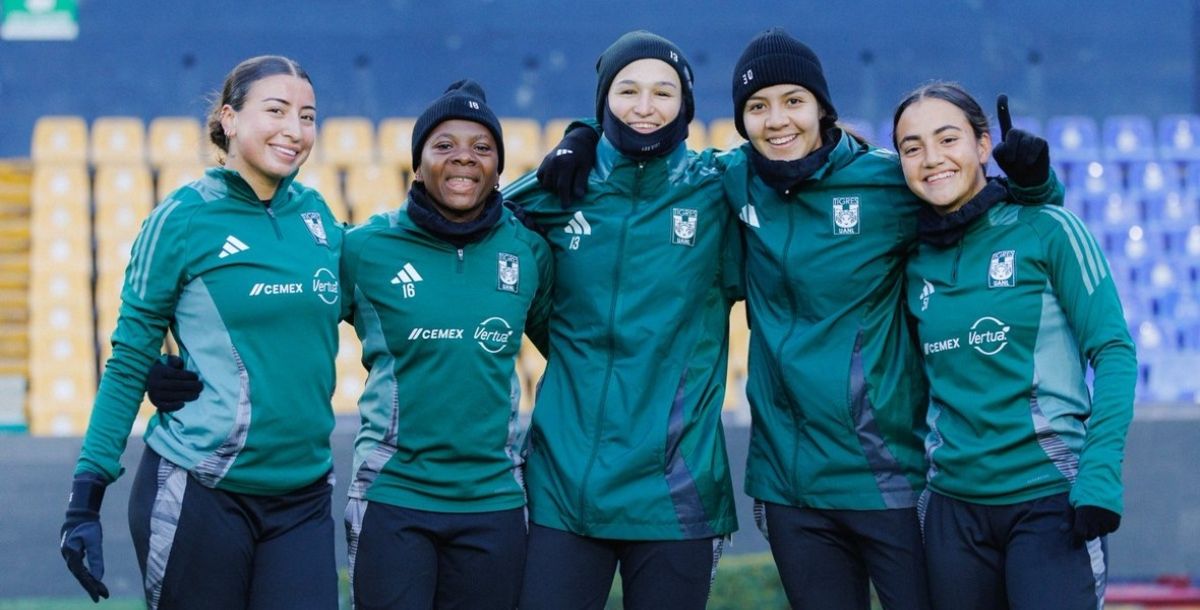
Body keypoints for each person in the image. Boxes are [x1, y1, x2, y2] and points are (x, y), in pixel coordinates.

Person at [537, 27, 1060, 610]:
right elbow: (634, 156)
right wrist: (583, 137)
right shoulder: (732, 179)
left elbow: (984, 212)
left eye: (793, 101)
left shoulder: (886, 180)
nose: (776, 119)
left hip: (889, 476)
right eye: (757, 106)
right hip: (789, 486)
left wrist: (1036, 183)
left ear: (821, 108)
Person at [59, 55, 343, 609]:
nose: (295, 130)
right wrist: (85, 499)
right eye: (277, 111)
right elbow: (127, 359)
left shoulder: (320, 217)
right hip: (200, 490)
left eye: (308, 117)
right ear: (230, 119)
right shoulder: (182, 218)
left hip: (303, 496)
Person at [502, 30, 743, 609]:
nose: (644, 106)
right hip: (565, 484)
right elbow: (476, 220)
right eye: (626, 90)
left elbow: (810, 170)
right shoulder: (561, 186)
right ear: (603, 99)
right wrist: (578, 140)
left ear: (685, 104)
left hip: (676, 487)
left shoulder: (720, 187)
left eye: (663, 91)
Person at [893, 81, 1136, 610]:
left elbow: (1115, 351)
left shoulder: (1050, 229)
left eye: (948, 139)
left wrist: (1099, 475)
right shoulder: (910, 258)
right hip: (953, 512)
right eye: (912, 147)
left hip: (1050, 500)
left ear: (984, 147)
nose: (931, 159)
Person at [340, 79, 553, 610]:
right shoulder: (365, 248)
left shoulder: (528, 251)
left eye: (482, 148)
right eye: (444, 145)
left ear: (499, 168)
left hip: (494, 501)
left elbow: (573, 351)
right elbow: (286, 316)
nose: (464, 157)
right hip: (393, 496)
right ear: (417, 164)